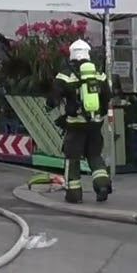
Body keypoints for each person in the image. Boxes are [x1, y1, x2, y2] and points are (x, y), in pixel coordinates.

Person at [46, 39, 111, 203]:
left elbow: (53, 99)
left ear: (71, 54)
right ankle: (102, 184)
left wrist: (51, 105)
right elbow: (107, 95)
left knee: (72, 159)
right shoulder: (99, 74)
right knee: (95, 155)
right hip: (95, 124)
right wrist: (101, 113)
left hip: (75, 125)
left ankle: (74, 194)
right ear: (88, 54)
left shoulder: (65, 75)